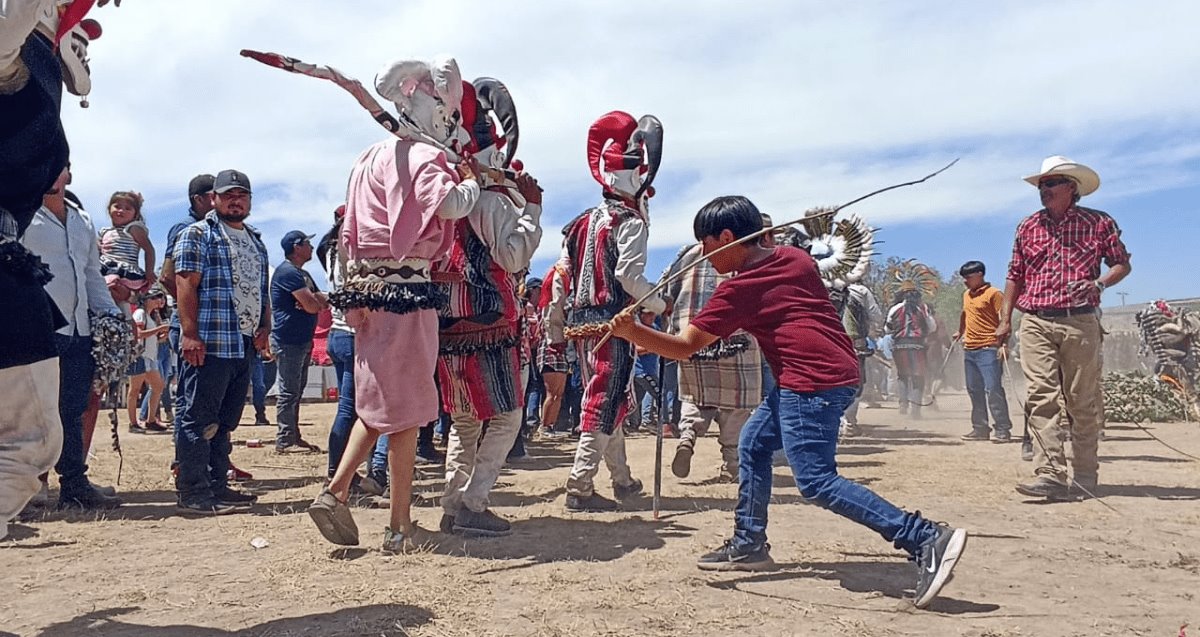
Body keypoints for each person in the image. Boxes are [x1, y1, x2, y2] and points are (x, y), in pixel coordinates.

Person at [607, 195, 966, 609]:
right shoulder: (797, 259)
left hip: (810, 382)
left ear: (726, 237)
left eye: (705, 244)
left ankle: (924, 537)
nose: (703, 256)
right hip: (834, 373)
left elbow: (685, 348)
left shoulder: (739, 289)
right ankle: (749, 543)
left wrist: (631, 332)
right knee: (754, 444)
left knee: (815, 481)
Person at [307, 56, 480, 553]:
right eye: (448, 117)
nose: (450, 126)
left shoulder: (367, 158)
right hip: (407, 294)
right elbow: (447, 206)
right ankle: (393, 522)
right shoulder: (424, 159)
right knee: (406, 409)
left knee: (385, 404)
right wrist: (472, 185)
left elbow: (347, 236)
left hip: (369, 294)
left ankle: (347, 495)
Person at [435, 78, 543, 536]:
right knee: (505, 417)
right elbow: (514, 258)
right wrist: (532, 210)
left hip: (448, 324)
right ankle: (473, 505)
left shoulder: (444, 193)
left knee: (463, 420)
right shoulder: (492, 200)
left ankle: (452, 502)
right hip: (491, 322)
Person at [547, 110, 664, 512]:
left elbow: (560, 280)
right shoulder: (630, 222)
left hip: (582, 327)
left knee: (610, 396)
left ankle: (623, 481)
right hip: (615, 323)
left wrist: (557, 328)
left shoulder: (578, 224)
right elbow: (629, 276)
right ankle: (579, 486)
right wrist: (658, 301)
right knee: (602, 400)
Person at [999, 156, 1131, 500]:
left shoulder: (1099, 223)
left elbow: (1121, 263)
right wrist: (1004, 320)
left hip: (1080, 320)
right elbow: (1015, 275)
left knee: (1080, 401)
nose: (1044, 190)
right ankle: (1051, 473)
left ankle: (1085, 472)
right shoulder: (1027, 226)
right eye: (1042, 185)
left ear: (1071, 188)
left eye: (1051, 183)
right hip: (1036, 319)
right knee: (1041, 396)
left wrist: (1100, 284)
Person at [21, 166, 123, 510]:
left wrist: (112, 316)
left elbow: (92, 273)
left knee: (72, 409)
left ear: (68, 174)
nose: (50, 171)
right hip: (35, 330)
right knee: (32, 413)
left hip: (79, 330)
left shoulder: (82, 219)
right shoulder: (18, 214)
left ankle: (74, 485)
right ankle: (28, 488)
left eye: (58, 166)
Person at [172, 169, 268, 515]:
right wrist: (190, 333)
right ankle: (193, 490)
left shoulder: (256, 240)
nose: (235, 200)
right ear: (214, 198)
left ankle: (218, 484)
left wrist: (264, 328)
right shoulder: (197, 234)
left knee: (225, 420)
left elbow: (260, 289)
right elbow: (185, 284)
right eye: (228, 194)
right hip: (211, 340)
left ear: (249, 201)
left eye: (241, 194)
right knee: (198, 417)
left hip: (242, 342)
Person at [660, 241, 762, 481]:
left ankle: (687, 437)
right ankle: (731, 464)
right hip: (737, 338)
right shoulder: (745, 250)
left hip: (691, 336)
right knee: (735, 404)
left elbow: (665, 292)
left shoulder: (685, 254)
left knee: (695, 395)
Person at [272, 229, 329, 452]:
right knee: (289, 391)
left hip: (301, 339)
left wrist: (314, 300)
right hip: (289, 340)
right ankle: (285, 439)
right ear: (297, 247)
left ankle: (293, 436)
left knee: (296, 390)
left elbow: (320, 299)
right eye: (307, 243)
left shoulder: (300, 274)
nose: (312, 248)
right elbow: (313, 305)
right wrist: (313, 301)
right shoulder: (289, 273)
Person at [953, 261, 1013, 442]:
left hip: (989, 348)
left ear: (980, 275)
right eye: (964, 278)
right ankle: (980, 428)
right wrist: (960, 331)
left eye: (968, 277)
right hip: (969, 349)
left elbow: (1005, 320)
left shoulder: (994, 294)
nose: (965, 281)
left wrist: (1004, 343)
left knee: (993, 388)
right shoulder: (966, 295)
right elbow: (965, 314)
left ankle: (1002, 429)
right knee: (974, 389)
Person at [885, 282, 936, 419]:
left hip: (899, 346)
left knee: (902, 376)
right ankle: (915, 410)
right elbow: (932, 327)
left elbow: (887, 329)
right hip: (918, 346)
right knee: (918, 377)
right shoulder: (923, 308)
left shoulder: (895, 308)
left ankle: (903, 405)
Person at [98, 190, 155, 308]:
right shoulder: (104, 231)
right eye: (117, 206)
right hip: (106, 266)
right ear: (109, 209)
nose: (121, 211)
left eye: (127, 208)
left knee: (112, 284)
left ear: (135, 214)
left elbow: (149, 250)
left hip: (125, 271)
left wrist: (149, 271)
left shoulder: (133, 228)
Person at [840, 282, 883, 438]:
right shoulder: (861, 290)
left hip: (827, 340)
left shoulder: (820, 283)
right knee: (855, 381)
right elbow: (876, 315)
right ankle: (849, 423)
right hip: (855, 342)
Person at [128, 287, 170, 433]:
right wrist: (160, 329)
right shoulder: (140, 314)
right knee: (135, 390)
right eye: (154, 298)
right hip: (140, 356)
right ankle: (133, 423)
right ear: (146, 300)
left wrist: (162, 335)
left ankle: (151, 420)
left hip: (150, 356)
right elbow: (139, 334)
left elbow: (149, 336)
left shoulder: (149, 315)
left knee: (158, 386)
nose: (158, 300)